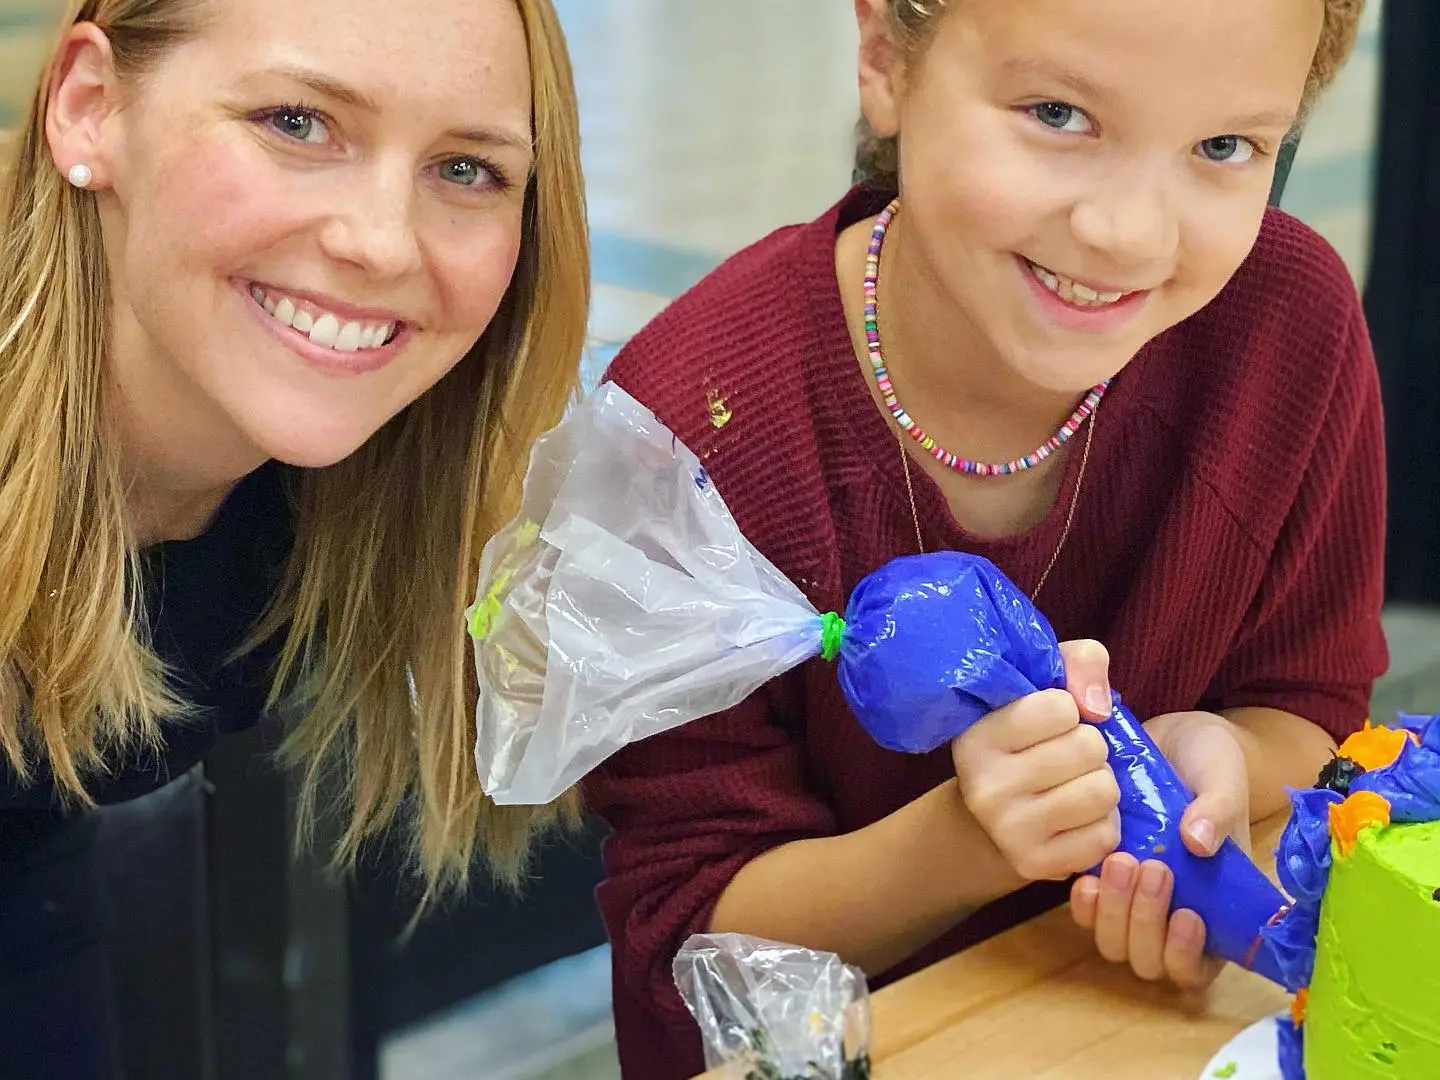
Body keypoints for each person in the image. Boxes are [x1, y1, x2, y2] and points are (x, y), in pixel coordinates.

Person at [583, 0, 1384, 1076]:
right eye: (1058, 112)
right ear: (883, 56)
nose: (1129, 233)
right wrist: (963, 843)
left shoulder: (1287, 324)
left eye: (1225, 146)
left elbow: (1313, 707)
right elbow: (689, 935)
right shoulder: (693, 424)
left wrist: (1228, 760)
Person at [0, 0, 587, 1075]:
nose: (380, 241)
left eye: (467, 171)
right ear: (89, 109)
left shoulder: (343, 484)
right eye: (296, 122)